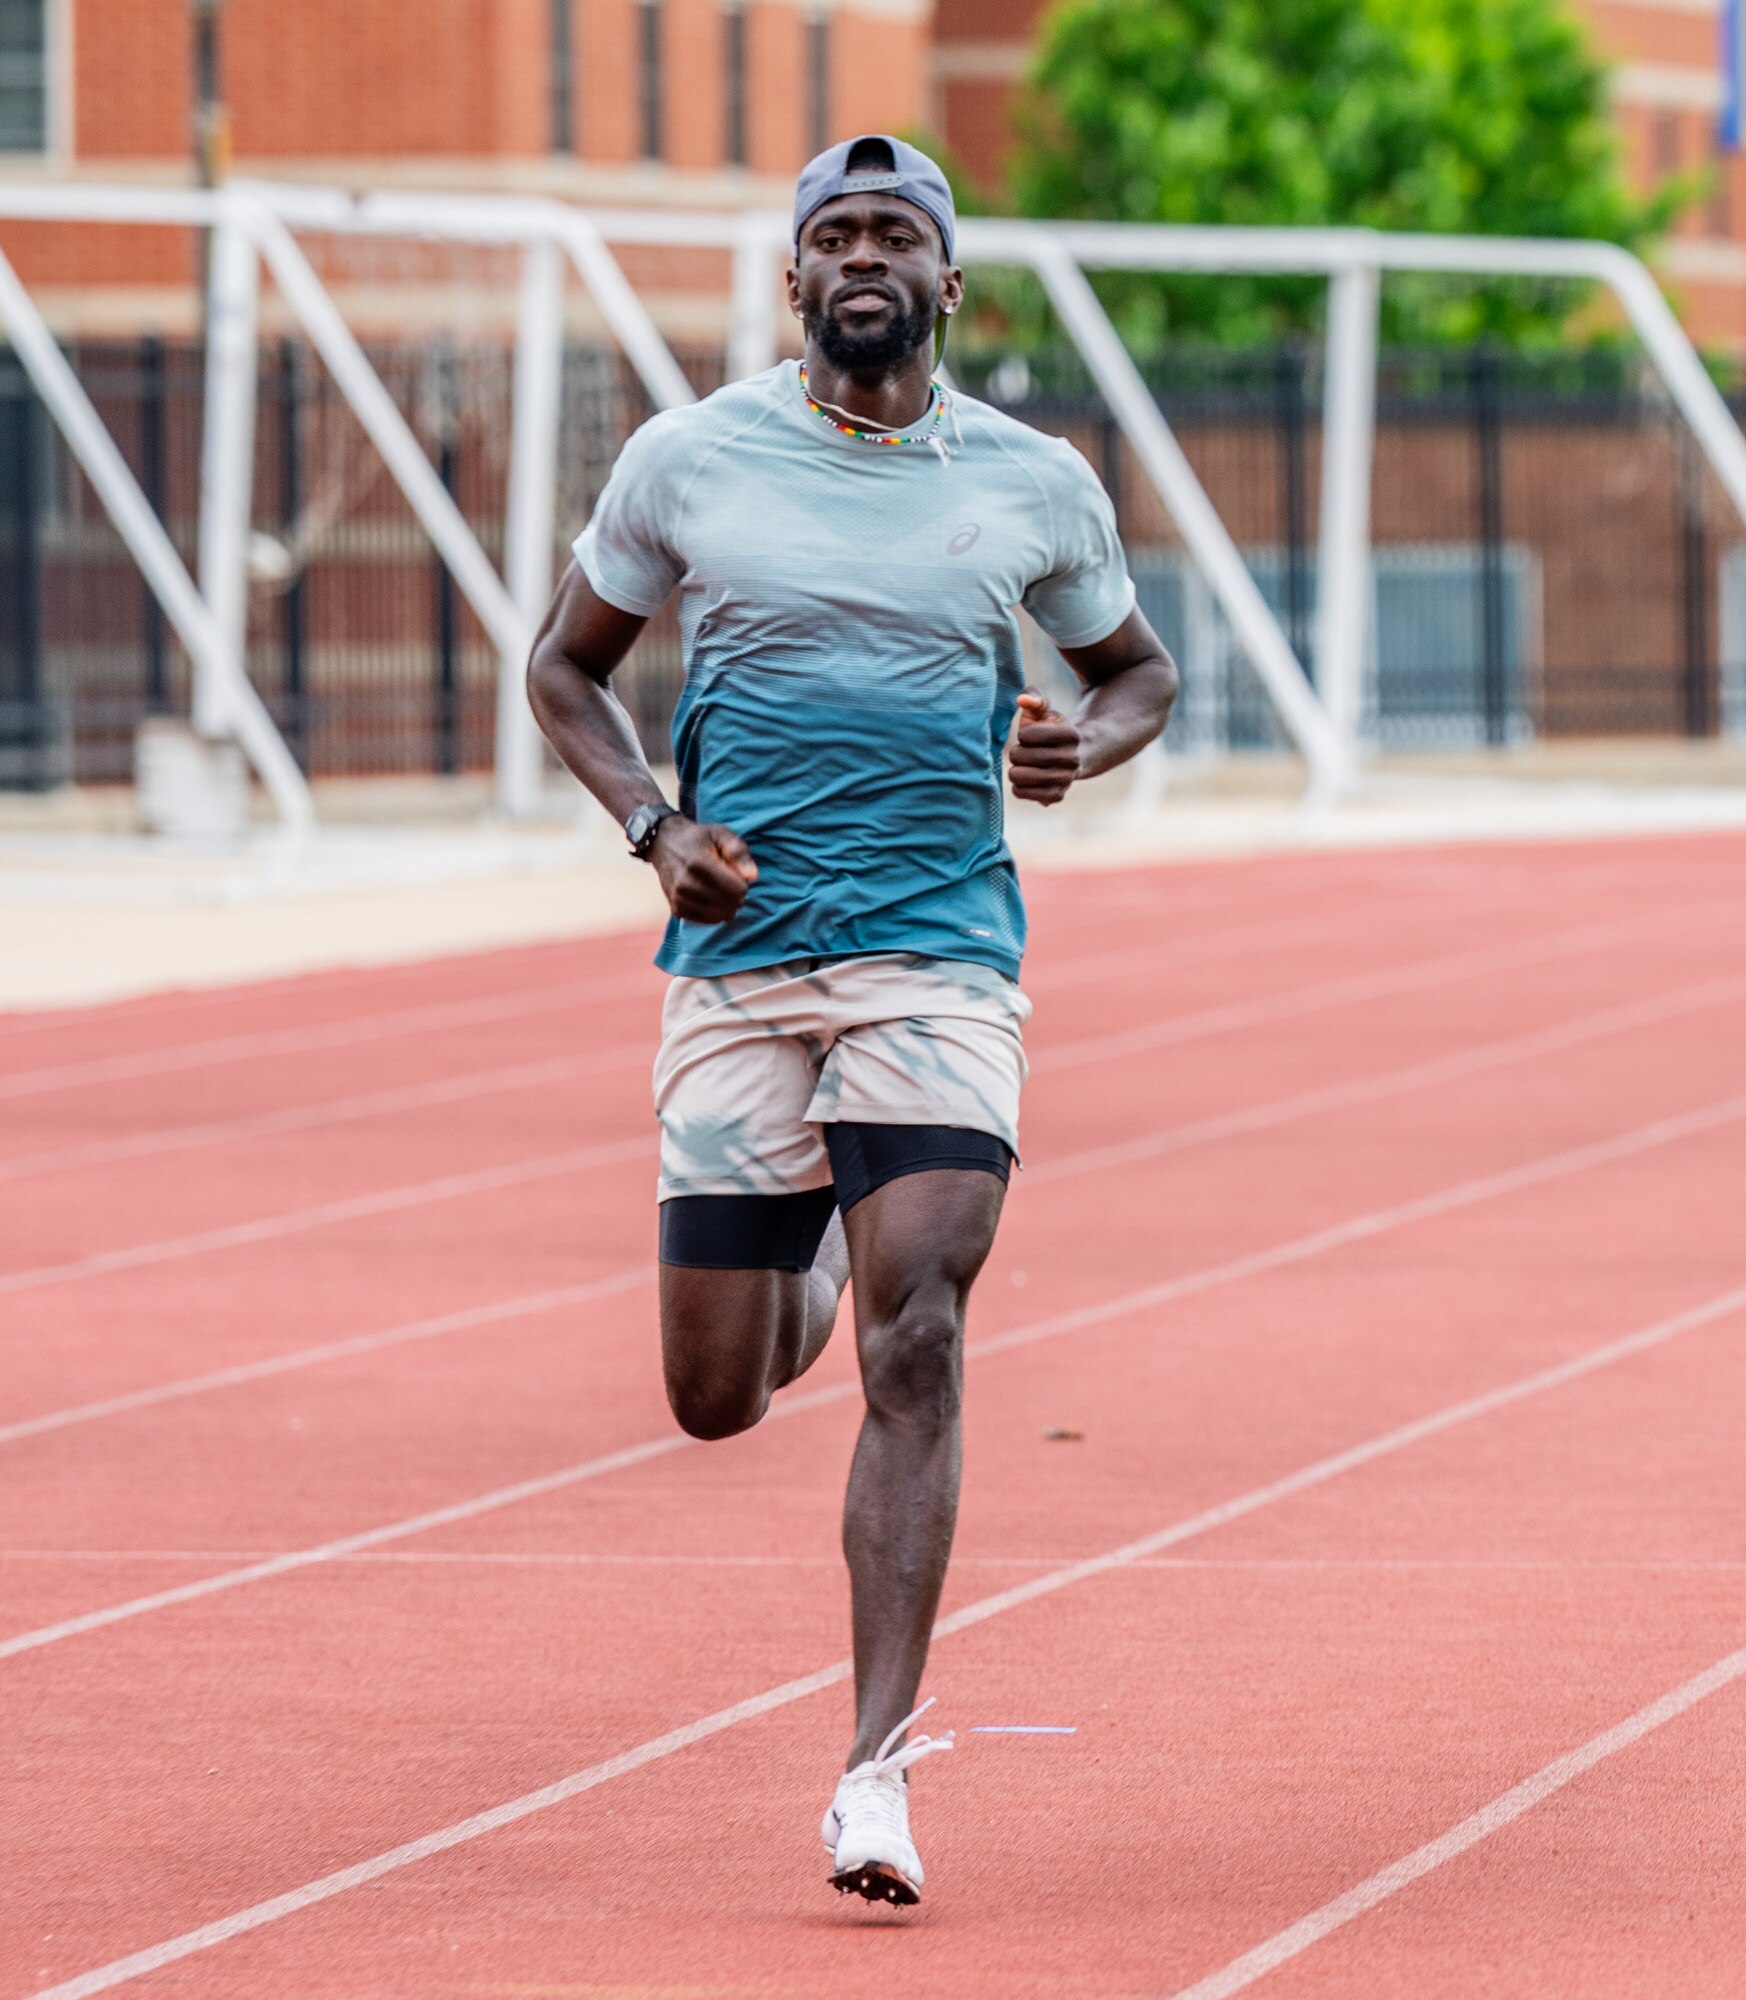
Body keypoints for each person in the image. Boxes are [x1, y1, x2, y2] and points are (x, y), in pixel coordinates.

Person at [525, 135, 1178, 1904]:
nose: (866, 256)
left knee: (927, 1339)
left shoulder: (1034, 483)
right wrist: (654, 824)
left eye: (900, 232)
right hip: (739, 965)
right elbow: (564, 666)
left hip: (940, 954)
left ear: (952, 282)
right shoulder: (688, 459)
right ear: (794, 280)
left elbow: (1137, 674)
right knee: (714, 1398)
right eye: (836, 235)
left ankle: (875, 1773)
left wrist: (1078, 748)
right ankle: (804, 1251)